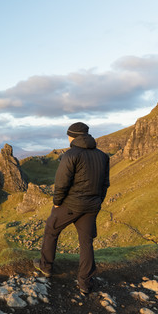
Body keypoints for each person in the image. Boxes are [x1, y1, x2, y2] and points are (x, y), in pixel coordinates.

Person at [33, 122, 110, 294]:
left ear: (73, 136)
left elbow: (61, 182)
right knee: (86, 243)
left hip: (70, 205)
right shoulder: (103, 156)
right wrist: (97, 201)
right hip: (91, 207)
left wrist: (57, 202)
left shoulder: (71, 154)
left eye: (68, 135)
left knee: (51, 229)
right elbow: (105, 184)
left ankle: (45, 266)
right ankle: (85, 283)